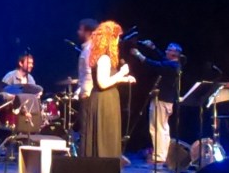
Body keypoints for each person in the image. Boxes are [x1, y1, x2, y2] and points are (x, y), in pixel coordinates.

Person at [81, 21, 135, 159]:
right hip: (104, 102)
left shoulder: (102, 56)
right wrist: (121, 73)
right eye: (117, 37)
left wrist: (123, 79)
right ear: (111, 38)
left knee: (107, 138)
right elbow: (103, 83)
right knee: (105, 139)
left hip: (106, 100)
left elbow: (107, 80)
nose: (118, 41)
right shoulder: (104, 58)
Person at [137, 41, 183, 163]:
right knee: (163, 128)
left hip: (162, 100)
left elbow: (154, 65)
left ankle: (159, 156)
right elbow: (162, 58)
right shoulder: (174, 64)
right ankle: (163, 154)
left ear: (174, 54)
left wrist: (138, 55)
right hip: (166, 101)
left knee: (156, 128)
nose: (166, 51)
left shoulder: (171, 66)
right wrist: (153, 48)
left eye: (168, 50)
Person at [76, 19, 99, 99]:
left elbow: (89, 74)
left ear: (88, 32)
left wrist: (84, 92)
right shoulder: (86, 49)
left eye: (80, 30)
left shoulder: (89, 50)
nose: (78, 32)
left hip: (88, 95)